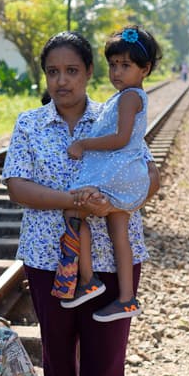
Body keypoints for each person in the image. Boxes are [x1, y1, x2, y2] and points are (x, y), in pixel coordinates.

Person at [2, 31, 160, 376]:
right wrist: (70, 201)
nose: (62, 81)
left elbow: (152, 175)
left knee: (106, 352)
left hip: (112, 256)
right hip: (47, 257)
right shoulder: (29, 124)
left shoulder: (114, 112)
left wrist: (116, 204)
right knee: (57, 348)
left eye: (72, 70)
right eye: (53, 72)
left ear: (90, 72)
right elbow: (17, 186)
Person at [56, 25, 161, 322]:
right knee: (120, 235)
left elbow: (121, 138)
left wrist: (84, 143)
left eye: (125, 65)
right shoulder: (129, 96)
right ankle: (127, 299)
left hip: (115, 172)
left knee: (73, 211)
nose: (117, 72)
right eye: (113, 65)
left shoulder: (128, 98)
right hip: (126, 174)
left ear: (145, 69)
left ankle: (88, 280)